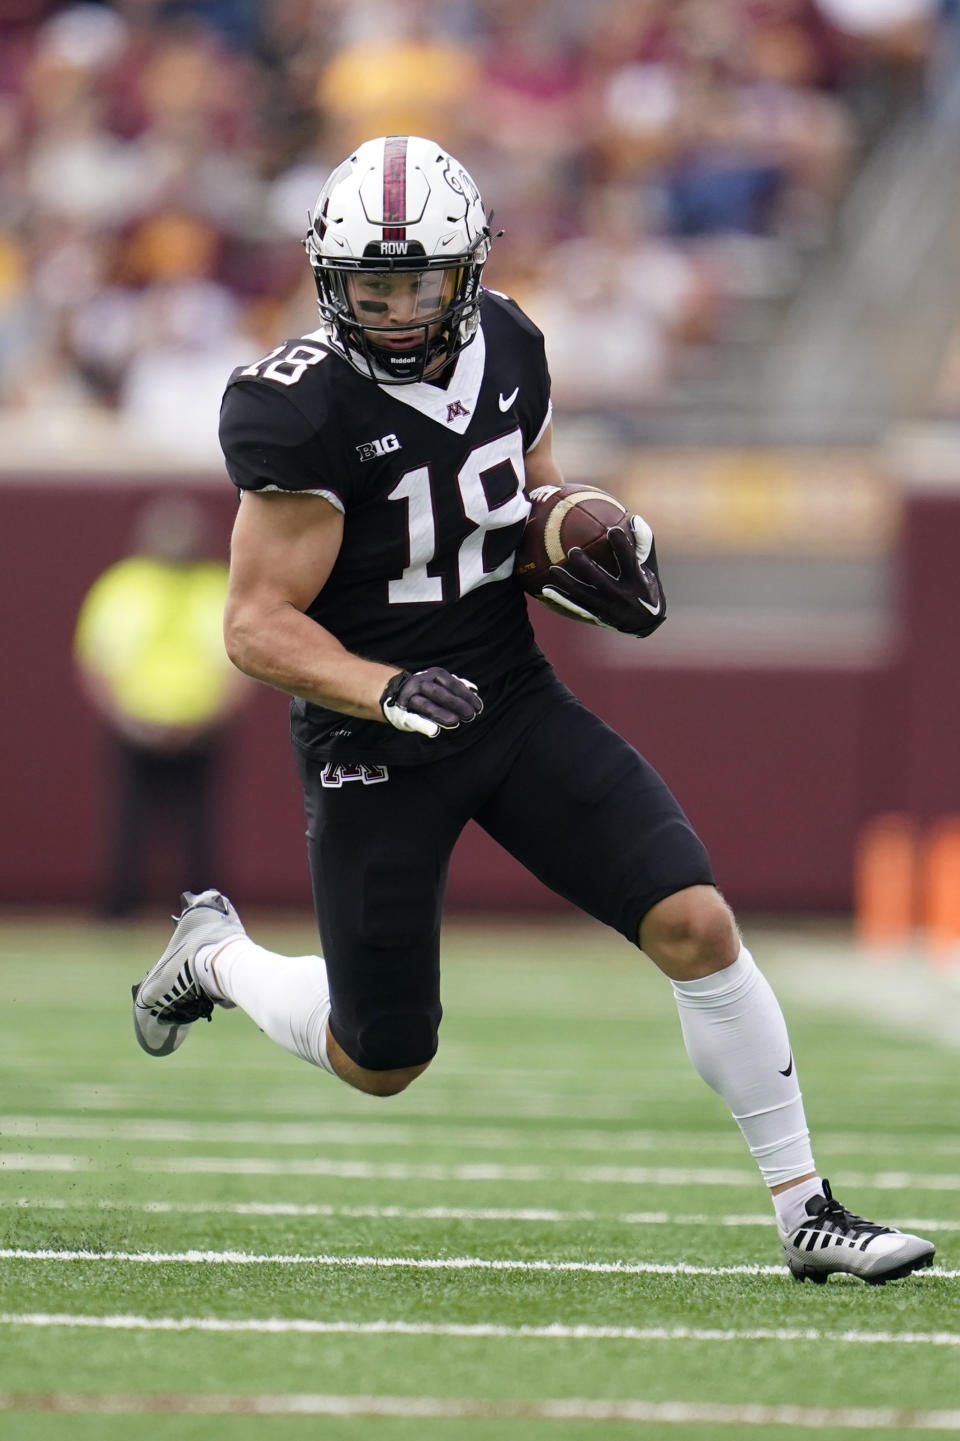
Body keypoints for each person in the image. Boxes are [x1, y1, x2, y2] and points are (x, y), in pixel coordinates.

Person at [131, 135, 933, 1285]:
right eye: (372, 286)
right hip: (376, 735)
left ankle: (808, 1208)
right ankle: (216, 956)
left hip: (507, 698)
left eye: (418, 284)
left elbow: (537, 493)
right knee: (383, 1055)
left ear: (467, 273)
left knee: (695, 922)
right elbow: (256, 624)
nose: (398, 311)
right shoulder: (297, 408)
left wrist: (588, 539)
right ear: (328, 280)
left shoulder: (510, 339)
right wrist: (386, 687)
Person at [75, 495, 245, 916]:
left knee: (200, 824)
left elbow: (239, 662)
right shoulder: (124, 584)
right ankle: (120, 908)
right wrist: (126, 718)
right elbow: (97, 658)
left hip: (201, 728)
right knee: (129, 820)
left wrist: (210, 716)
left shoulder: (216, 585)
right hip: (136, 726)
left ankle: (204, 910)